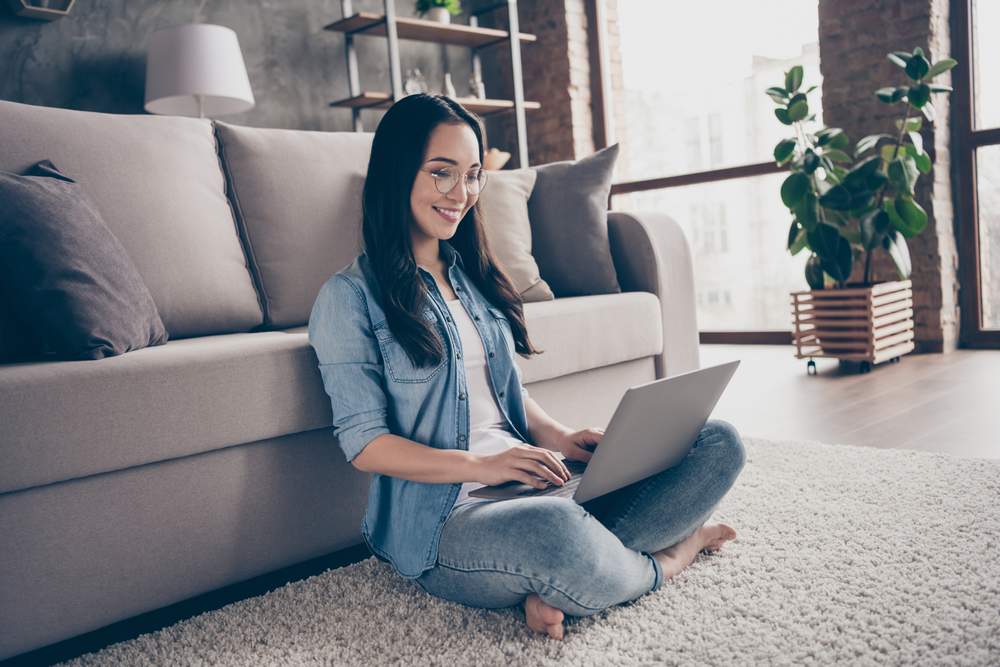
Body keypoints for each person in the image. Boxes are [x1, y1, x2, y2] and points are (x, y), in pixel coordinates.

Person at [308, 94, 746, 640]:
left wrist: (564, 438)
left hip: (540, 479)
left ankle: (571, 577)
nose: (461, 193)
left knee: (718, 441)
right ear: (397, 172)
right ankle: (671, 557)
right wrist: (482, 466)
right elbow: (365, 445)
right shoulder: (347, 298)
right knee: (558, 532)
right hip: (451, 521)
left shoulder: (471, 276)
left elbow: (503, 394)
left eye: (471, 175)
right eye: (441, 173)